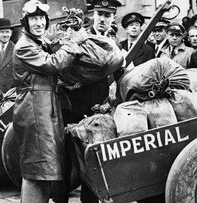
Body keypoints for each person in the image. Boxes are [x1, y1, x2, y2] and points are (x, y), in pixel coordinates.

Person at [12, 0, 87, 202]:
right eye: (33, 19)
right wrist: (74, 43)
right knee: (36, 169)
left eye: (41, 19)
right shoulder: (24, 46)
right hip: (35, 110)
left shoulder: (38, 42)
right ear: (25, 23)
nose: (38, 23)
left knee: (45, 169)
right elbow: (51, 64)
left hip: (43, 108)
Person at [61, 1, 122, 203]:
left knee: (95, 157)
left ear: (113, 17)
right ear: (93, 15)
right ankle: (60, 197)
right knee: (68, 157)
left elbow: (118, 73)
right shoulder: (79, 36)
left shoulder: (114, 43)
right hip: (75, 107)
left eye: (107, 15)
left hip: (99, 109)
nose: (103, 19)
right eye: (100, 14)